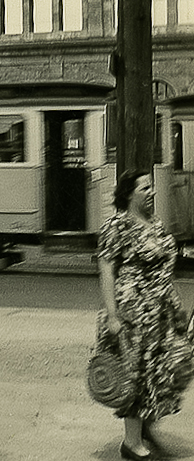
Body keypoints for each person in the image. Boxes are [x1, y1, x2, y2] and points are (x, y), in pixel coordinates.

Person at [97, 170, 194, 460]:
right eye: (146, 188)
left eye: (151, 187)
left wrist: (176, 307)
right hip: (134, 312)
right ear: (129, 193)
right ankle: (131, 443)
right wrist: (113, 315)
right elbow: (105, 269)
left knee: (172, 367)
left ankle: (147, 423)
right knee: (136, 374)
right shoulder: (117, 226)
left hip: (163, 309)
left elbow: (165, 266)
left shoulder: (155, 223)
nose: (152, 192)